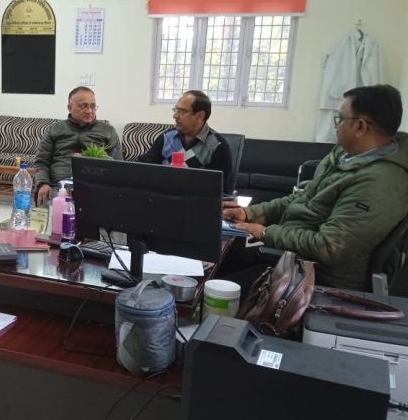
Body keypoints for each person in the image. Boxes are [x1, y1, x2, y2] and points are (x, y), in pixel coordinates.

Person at [222, 84, 408, 293]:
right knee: (221, 255)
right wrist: (249, 213)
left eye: (340, 119)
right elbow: (300, 199)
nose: (336, 127)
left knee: (220, 286)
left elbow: (329, 247)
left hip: (318, 278)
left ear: (360, 127)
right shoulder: (344, 156)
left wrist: (265, 233)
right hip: (291, 255)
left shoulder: (377, 184)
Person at [33, 86, 122, 205]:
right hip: (57, 187)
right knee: (48, 210)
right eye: (83, 106)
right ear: (70, 108)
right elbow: (41, 161)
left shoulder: (108, 131)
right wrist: (43, 183)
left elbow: (118, 166)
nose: (89, 111)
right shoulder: (54, 129)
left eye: (93, 106)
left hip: (93, 187)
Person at [136, 90, 234, 194]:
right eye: (175, 110)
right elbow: (143, 167)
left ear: (200, 116)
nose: (175, 116)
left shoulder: (217, 146)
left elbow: (222, 191)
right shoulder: (166, 137)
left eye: (182, 111)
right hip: (162, 197)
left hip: (196, 201)